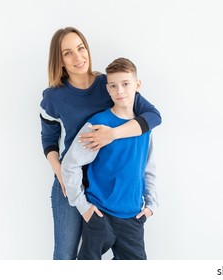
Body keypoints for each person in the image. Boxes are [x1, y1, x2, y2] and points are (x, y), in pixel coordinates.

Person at [40, 27, 162, 260]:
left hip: (108, 186)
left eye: (81, 48)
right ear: (60, 61)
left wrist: (112, 134)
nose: (78, 57)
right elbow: (48, 139)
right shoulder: (53, 97)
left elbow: (152, 117)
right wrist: (61, 172)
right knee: (65, 254)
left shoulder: (111, 84)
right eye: (68, 53)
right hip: (71, 180)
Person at [61, 57, 157, 260]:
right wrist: (83, 207)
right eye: (113, 86)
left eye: (125, 84)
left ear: (137, 85)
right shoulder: (98, 124)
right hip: (100, 216)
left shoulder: (143, 127)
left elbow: (148, 168)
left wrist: (151, 205)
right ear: (107, 89)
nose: (120, 91)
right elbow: (70, 165)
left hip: (133, 217)